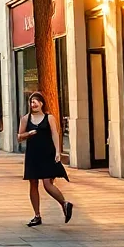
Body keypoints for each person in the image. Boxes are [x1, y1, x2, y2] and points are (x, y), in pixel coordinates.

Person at [17, 92, 73, 227]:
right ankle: (37, 215)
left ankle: (65, 204)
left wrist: (57, 151)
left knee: (47, 183)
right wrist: (28, 134)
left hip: (47, 153)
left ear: (42, 103)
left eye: (36, 101)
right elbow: (19, 137)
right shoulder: (25, 119)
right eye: (31, 102)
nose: (33, 104)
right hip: (32, 155)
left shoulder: (49, 118)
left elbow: (55, 133)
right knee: (33, 183)